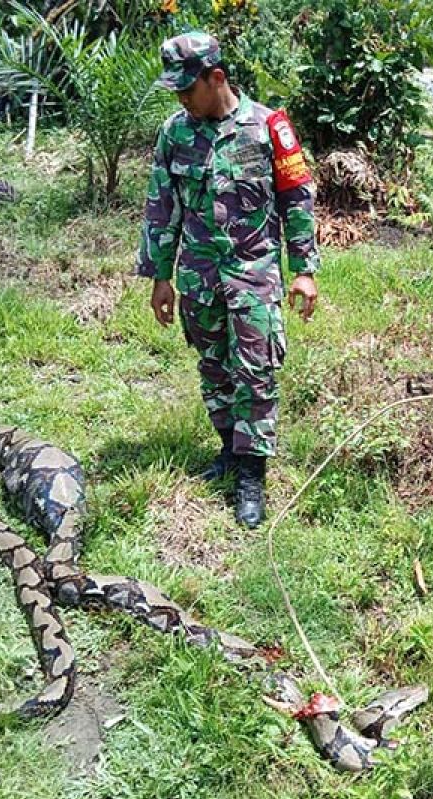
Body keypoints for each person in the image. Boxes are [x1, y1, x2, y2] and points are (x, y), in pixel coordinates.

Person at [136, 32, 321, 529]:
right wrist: (159, 277)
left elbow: (297, 200)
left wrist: (303, 270)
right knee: (214, 368)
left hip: (253, 273)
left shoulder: (268, 129)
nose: (181, 99)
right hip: (199, 277)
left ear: (217, 78)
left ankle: (251, 476)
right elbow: (161, 208)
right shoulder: (175, 133)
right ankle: (229, 450)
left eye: (187, 88)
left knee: (256, 370)